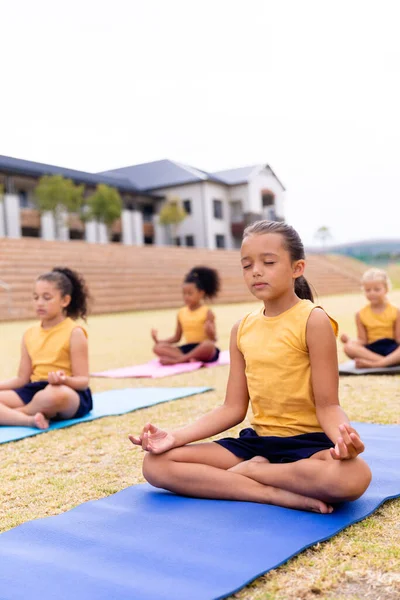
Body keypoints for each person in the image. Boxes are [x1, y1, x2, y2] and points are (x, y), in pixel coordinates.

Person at [130, 220, 372, 513]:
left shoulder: (313, 320)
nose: (256, 270)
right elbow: (232, 408)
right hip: (257, 445)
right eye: (246, 265)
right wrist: (175, 437)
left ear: (297, 268)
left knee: (354, 477)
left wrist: (342, 440)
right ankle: (271, 493)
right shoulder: (241, 328)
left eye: (268, 262)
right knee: (156, 464)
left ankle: (255, 473)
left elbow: (328, 405)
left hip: (308, 447)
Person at [0, 267, 93, 429]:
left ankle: (13, 414)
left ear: (65, 301)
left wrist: (63, 380)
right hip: (34, 389)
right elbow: (22, 379)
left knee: (53, 395)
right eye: (35, 298)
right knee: (41, 396)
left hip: (66, 390)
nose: (39, 303)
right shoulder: (29, 333)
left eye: (47, 298)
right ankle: (29, 420)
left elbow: (83, 381)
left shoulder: (75, 332)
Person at [151, 266, 220, 365]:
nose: (186, 297)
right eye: (184, 294)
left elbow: (213, 339)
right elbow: (177, 337)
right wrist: (158, 341)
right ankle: (187, 359)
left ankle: (179, 360)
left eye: (190, 293)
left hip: (202, 348)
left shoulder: (207, 312)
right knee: (157, 348)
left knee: (208, 345)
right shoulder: (181, 313)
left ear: (201, 293)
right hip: (188, 348)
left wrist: (210, 332)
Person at [341, 268, 400, 369]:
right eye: (368, 290)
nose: (372, 293)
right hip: (371, 350)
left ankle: (376, 364)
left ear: (386, 289)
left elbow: (398, 338)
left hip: (392, 348)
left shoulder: (396, 311)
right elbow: (363, 340)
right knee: (348, 348)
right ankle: (388, 362)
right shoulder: (360, 314)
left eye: (377, 289)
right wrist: (350, 341)